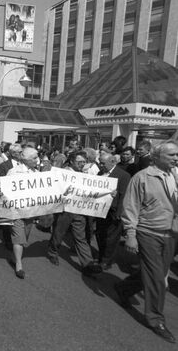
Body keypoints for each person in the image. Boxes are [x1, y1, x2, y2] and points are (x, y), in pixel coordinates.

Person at [117, 141, 178, 343]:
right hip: (148, 232)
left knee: (154, 273)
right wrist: (131, 234)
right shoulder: (142, 177)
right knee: (158, 278)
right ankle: (155, 320)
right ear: (156, 157)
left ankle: (124, 289)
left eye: (177, 154)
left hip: (171, 233)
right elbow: (130, 207)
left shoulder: (175, 174)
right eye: (171, 155)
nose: (176, 158)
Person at [46, 151, 102, 276]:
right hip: (64, 210)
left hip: (79, 210)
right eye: (79, 162)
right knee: (58, 233)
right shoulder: (64, 173)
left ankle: (88, 264)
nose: (82, 164)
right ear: (71, 161)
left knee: (80, 237)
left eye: (84, 162)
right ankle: (52, 251)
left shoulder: (84, 174)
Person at [6, 147, 40, 279]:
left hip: (30, 212)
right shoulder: (14, 172)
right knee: (19, 236)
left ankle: (14, 256)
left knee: (24, 235)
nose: (37, 160)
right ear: (26, 159)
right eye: (34, 158)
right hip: (16, 211)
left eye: (37, 157)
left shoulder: (36, 173)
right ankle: (19, 265)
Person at [95, 153, 130, 270]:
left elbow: (124, 195)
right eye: (99, 162)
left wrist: (119, 213)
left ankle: (106, 261)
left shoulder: (123, 175)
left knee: (111, 238)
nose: (100, 165)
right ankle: (101, 256)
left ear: (112, 162)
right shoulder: (100, 173)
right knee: (100, 235)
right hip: (100, 210)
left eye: (103, 163)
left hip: (114, 212)